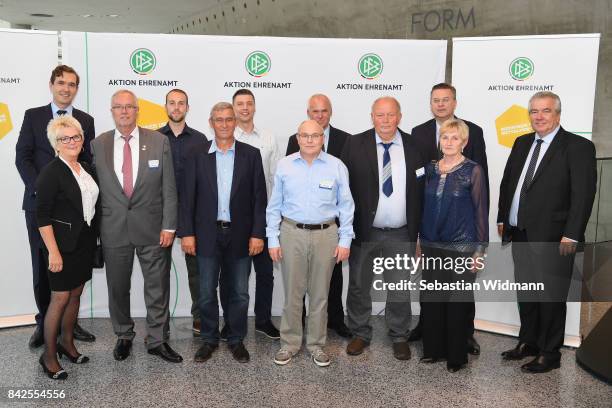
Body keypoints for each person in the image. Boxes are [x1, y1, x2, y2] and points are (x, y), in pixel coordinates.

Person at [497, 91, 596, 373]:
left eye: (546, 111)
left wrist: (572, 234)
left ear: (558, 114)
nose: (539, 117)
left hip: (556, 238)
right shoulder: (521, 142)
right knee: (527, 292)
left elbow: (583, 195)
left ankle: (550, 353)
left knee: (551, 297)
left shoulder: (577, 147)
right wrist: (504, 218)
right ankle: (528, 342)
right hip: (520, 232)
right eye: (534, 112)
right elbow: (508, 184)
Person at [91, 89, 182, 363]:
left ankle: (157, 339)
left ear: (137, 110)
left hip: (153, 228)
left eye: (129, 107)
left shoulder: (158, 141)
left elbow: (169, 187)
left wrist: (169, 226)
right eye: (118, 107)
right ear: (111, 111)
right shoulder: (98, 144)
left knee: (157, 287)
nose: (124, 111)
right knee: (117, 287)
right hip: (113, 228)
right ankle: (123, 335)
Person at [15, 65, 96, 349]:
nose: (66, 88)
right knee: (44, 267)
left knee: (73, 271)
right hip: (41, 208)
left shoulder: (86, 120)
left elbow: (88, 162)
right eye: (61, 83)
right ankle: (43, 324)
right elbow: (22, 157)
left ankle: (68, 326)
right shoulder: (33, 115)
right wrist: (43, 187)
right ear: (51, 84)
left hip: (75, 214)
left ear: (76, 88)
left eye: (72, 84)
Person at [179, 102, 267, 364]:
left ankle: (236, 338)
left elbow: (259, 198)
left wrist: (257, 234)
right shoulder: (196, 154)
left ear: (235, 122)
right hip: (206, 234)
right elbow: (187, 198)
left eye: (229, 119)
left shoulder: (251, 154)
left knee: (239, 292)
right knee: (206, 291)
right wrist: (187, 234)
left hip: (240, 234)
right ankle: (209, 338)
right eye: (219, 120)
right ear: (211, 122)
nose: (225, 124)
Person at [341, 96, 427, 360]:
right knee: (358, 285)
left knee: (400, 287)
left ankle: (399, 335)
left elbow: (423, 192)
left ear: (400, 116)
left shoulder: (416, 146)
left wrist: (420, 234)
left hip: (402, 232)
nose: (386, 120)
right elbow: (343, 189)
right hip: (364, 231)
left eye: (391, 115)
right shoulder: (354, 143)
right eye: (380, 115)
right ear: (372, 116)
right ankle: (359, 333)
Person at [267, 119, 354, 367]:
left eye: (315, 135)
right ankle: (290, 344)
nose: (309, 140)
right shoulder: (285, 166)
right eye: (304, 135)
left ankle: (316, 345)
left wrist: (345, 240)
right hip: (291, 232)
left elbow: (346, 206)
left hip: (326, 235)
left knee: (320, 295)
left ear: (322, 138)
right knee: (292, 294)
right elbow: (274, 206)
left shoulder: (336, 166)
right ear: (297, 138)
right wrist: (273, 238)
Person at [410, 83, 488, 354]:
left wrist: (480, 246)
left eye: (446, 100)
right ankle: (429, 335)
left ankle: (463, 337)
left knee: (460, 296)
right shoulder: (418, 133)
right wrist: (419, 236)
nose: (440, 104)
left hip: (461, 237)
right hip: (432, 235)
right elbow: (419, 189)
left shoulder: (473, 133)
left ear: (454, 102)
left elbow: (480, 195)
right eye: (436, 100)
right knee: (431, 292)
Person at [35, 116, 99, 379]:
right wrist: (53, 251)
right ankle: (49, 356)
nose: (71, 142)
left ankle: (67, 344)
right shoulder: (51, 172)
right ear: (56, 144)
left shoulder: (86, 169)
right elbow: (42, 216)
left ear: (82, 141)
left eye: (76, 137)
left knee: (75, 295)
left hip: (83, 243)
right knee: (60, 298)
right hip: (60, 247)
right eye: (65, 138)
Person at [286, 94, 353, 338]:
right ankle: (301, 325)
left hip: (329, 226)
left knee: (332, 280)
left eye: (324, 111)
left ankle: (334, 320)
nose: (320, 115)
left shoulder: (346, 140)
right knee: (297, 284)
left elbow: (347, 188)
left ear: (330, 112)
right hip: (298, 228)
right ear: (308, 113)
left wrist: (345, 231)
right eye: (315, 111)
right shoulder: (296, 144)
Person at [218, 88, 279, 340]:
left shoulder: (268, 137)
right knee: (231, 276)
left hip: (264, 217)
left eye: (249, 103)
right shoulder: (226, 138)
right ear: (233, 109)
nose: (244, 108)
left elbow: (276, 179)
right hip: (233, 221)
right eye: (239, 104)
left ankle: (263, 320)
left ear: (254, 107)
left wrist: (275, 217)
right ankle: (231, 323)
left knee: (265, 273)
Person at [158, 88, 207, 337]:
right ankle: (160, 322)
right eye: (172, 103)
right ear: (165, 106)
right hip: (160, 215)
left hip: (193, 215)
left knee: (196, 271)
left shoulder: (200, 140)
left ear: (187, 107)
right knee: (158, 272)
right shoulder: (154, 138)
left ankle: (200, 318)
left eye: (181, 103)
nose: (176, 107)